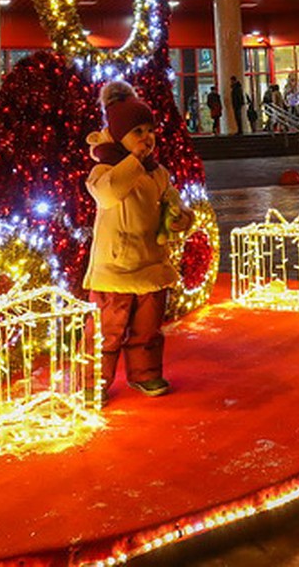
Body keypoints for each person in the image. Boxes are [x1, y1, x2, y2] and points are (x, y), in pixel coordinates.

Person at [83, 80, 193, 400]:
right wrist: (133, 161)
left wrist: (181, 219)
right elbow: (110, 193)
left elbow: (173, 202)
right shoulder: (103, 170)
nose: (147, 138)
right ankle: (93, 381)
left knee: (147, 330)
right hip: (114, 268)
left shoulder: (157, 173)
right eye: (138, 132)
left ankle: (145, 374)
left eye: (149, 130)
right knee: (106, 330)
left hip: (151, 264)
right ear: (119, 137)